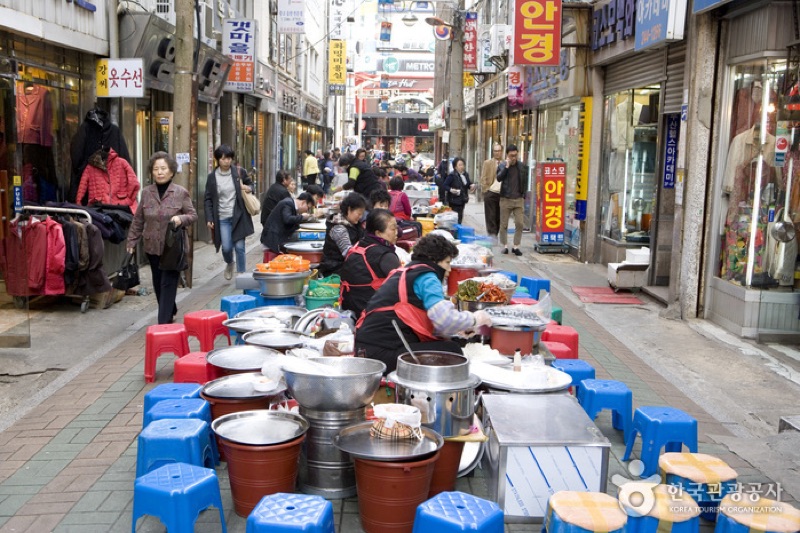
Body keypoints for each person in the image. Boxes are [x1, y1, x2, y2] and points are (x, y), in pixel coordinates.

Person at [354, 234, 493, 373]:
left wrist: (458, 327)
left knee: (448, 344)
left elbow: (424, 319)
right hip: (380, 357)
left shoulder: (407, 272)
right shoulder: (427, 276)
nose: (449, 270)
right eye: (447, 262)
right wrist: (475, 319)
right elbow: (444, 320)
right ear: (434, 260)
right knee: (452, 351)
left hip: (366, 350)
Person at [126, 152, 197, 325]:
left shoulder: (180, 193)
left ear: (171, 171)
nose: (160, 172)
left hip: (172, 248)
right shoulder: (147, 192)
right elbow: (138, 219)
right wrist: (132, 241)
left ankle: (163, 322)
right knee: (158, 283)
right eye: (156, 169)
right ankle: (170, 308)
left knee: (167, 283)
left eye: (163, 168)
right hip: (152, 247)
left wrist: (181, 219)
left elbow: (192, 215)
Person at [204, 144, 255, 280]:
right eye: (223, 159)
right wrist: (209, 218)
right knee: (226, 248)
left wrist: (247, 187)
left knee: (240, 247)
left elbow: (251, 185)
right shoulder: (212, 177)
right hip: (222, 217)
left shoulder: (239, 172)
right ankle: (229, 263)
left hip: (239, 215)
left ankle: (242, 275)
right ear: (218, 160)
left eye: (229, 158)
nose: (227, 161)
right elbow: (208, 199)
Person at [339, 209, 400, 317]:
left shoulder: (358, 246)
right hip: (372, 316)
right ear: (378, 233)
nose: (397, 232)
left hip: (349, 310)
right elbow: (403, 287)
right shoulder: (386, 256)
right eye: (393, 228)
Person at [318, 193, 368, 277]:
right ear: (349, 210)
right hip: (335, 269)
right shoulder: (338, 228)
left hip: (348, 265)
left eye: (362, 214)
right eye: (358, 213)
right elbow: (349, 253)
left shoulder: (354, 224)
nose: (360, 217)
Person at [496, 144, 529, 256]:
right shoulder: (502, 165)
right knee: (503, 224)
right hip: (506, 199)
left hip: (518, 199)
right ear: (507, 155)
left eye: (515, 155)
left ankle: (516, 246)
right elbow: (499, 178)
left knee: (519, 223)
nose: (513, 158)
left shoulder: (522, 166)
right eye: (511, 156)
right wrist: (506, 167)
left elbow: (525, 181)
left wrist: (523, 195)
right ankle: (504, 246)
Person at [480, 143, 504, 238]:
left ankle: (496, 233)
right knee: (490, 216)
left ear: (501, 152)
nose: (497, 153)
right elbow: (483, 177)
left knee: (499, 216)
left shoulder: (505, 163)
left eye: (499, 151)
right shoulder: (487, 163)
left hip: (502, 194)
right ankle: (492, 235)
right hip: (490, 192)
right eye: (495, 151)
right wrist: (486, 190)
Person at [444, 157, 473, 224]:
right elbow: (445, 185)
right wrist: (451, 190)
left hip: (462, 199)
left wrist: (471, 185)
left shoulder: (465, 174)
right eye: (459, 165)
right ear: (455, 167)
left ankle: (458, 230)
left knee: (460, 217)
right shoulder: (452, 175)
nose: (461, 166)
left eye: (462, 164)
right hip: (454, 200)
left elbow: (468, 184)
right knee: (454, 218)